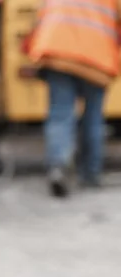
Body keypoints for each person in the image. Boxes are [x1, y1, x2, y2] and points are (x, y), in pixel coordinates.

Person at [25, 0, 121, 197]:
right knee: (93, 117)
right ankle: (90, 174)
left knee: (60, 113)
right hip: (97, 58)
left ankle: (58, 166)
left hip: (59, 53)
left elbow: (39, 20)